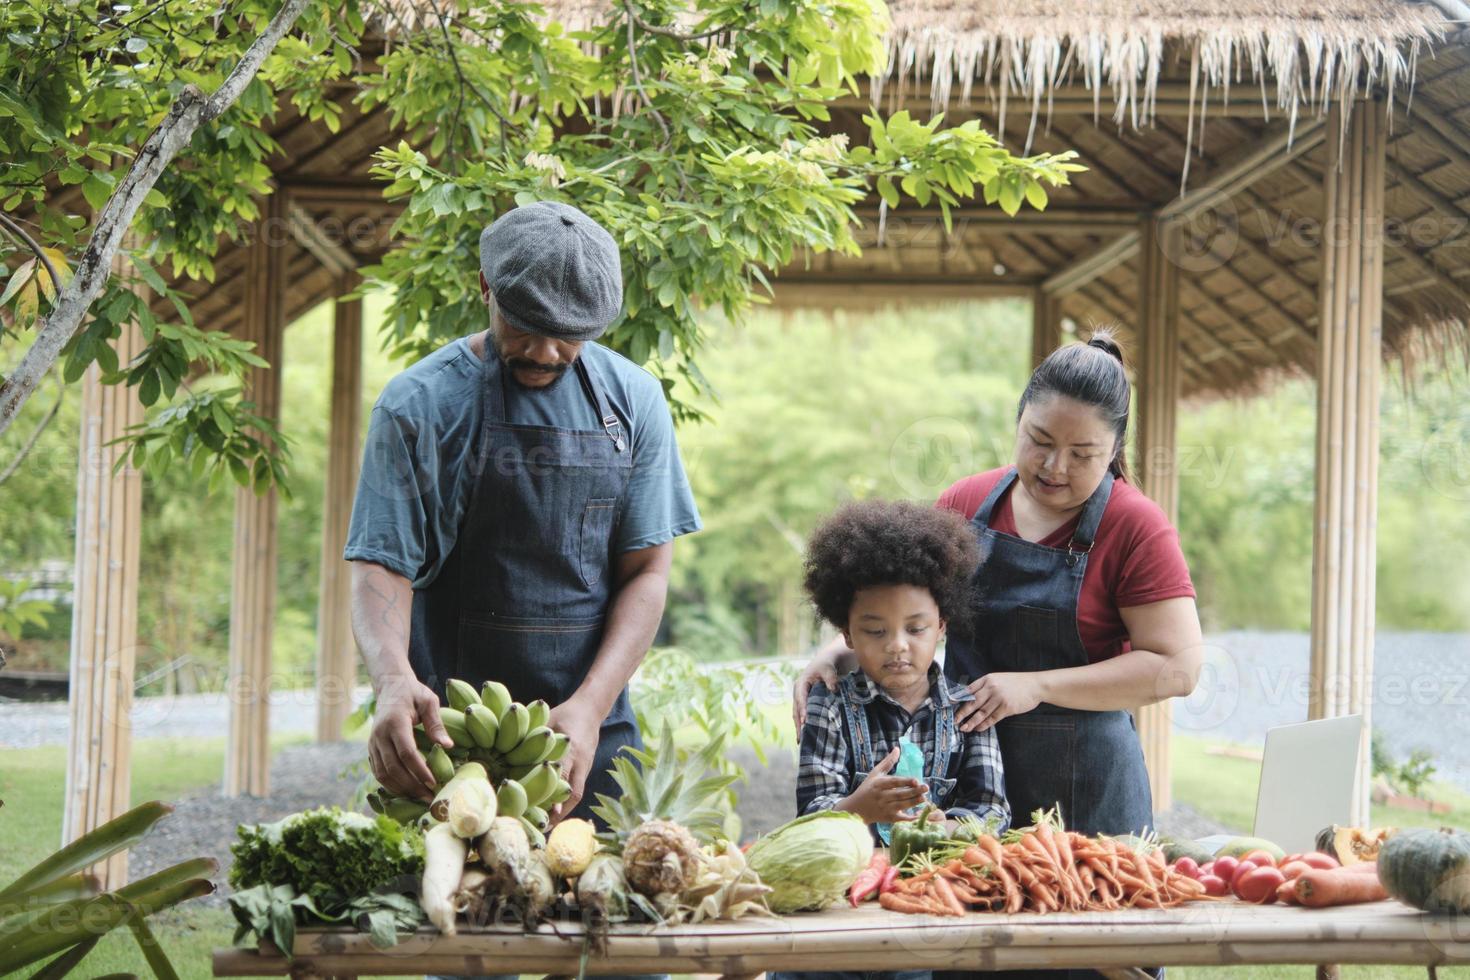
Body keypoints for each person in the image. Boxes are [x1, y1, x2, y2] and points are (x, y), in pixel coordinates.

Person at [793, 332, 1202, 979]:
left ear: (1115, 450)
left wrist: (1035, 685)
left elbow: (1177, 667)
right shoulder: (965, 503)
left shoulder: (1136, 527)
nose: (1054, 467)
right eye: (1039, 441)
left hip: (1087, 796)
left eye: (1082, 453)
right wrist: (829, 655)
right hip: (965, 789)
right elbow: (904, 607)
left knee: (1090, 958)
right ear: (1018, 420)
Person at [346, 201, 702, 835]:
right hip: (447, 733)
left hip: (591, 734)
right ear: (486, 287)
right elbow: (381, 563)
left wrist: (590, 709)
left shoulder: (635, 403)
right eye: (525, 325)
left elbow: (647, 571)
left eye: (569, 333)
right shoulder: (418, 405)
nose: (544, 351)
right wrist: (393, 681)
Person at [777, 500, 1009, 980]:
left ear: (942, 625)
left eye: (916, 628)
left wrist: (951, 827)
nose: (898, 645)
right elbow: (810, 814)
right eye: (875, 630)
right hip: (836, 908)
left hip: (930, 908)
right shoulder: (831, 706)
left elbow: (992, 808)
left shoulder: (969, 709)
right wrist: (856, 809)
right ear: (847, 634)